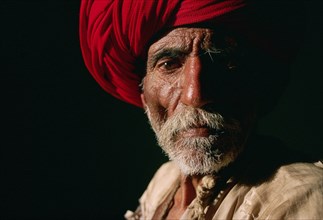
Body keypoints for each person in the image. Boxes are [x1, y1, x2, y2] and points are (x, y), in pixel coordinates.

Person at [79, 0, 323, 219]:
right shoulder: (166, 179)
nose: (195, 96)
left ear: (262, 88)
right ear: (144, 96)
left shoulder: (298, 197)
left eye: (222, 60)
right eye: (169, 64)